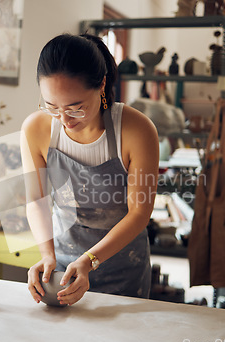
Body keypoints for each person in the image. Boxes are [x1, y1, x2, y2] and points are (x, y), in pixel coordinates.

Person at [20, 33, 159, 306]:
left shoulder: (136, 130)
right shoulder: (36, 129)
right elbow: (36, 201)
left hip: (123, 265)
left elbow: (140, 212)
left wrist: (89, 260)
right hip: (63, 266)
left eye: (76, 108)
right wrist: (47, 255)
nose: (64, 119)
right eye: (51, 107)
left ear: (102, 85)